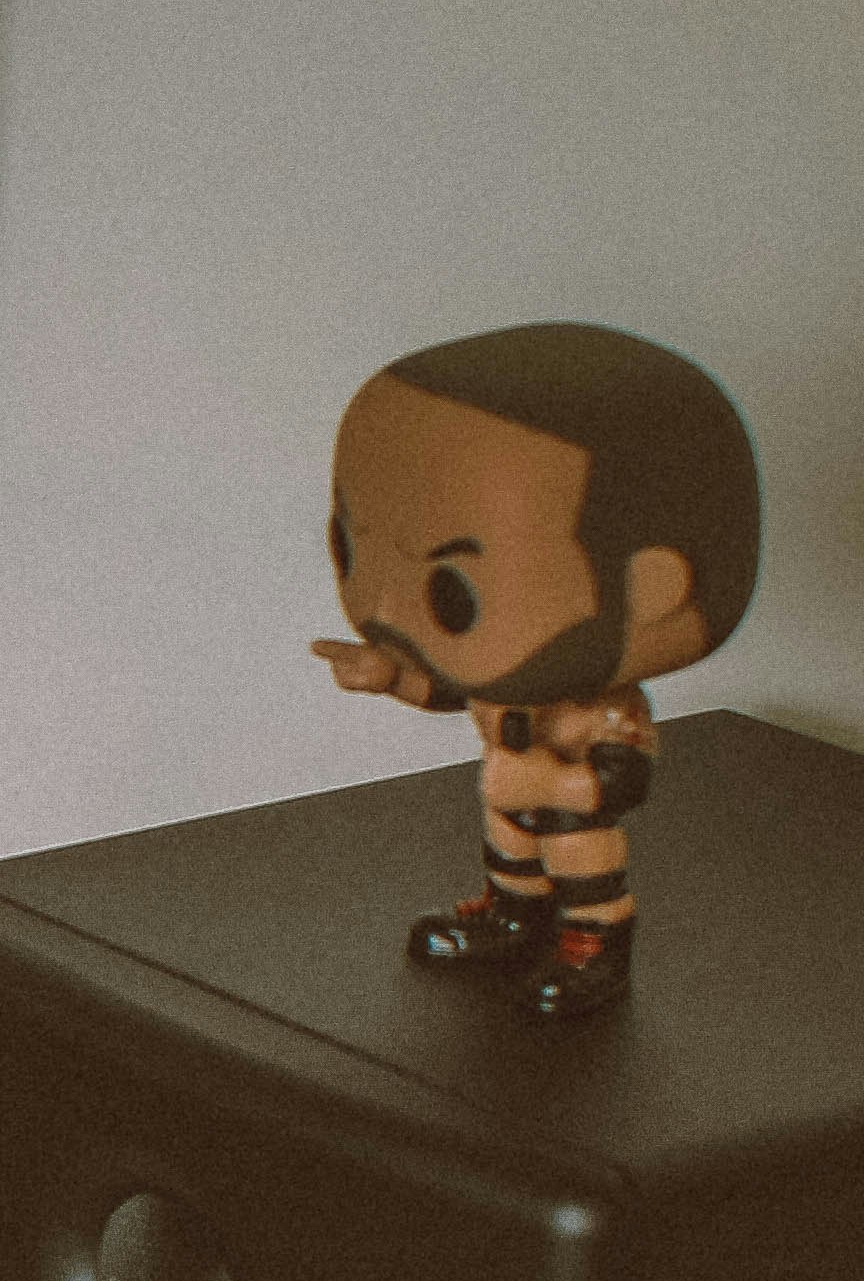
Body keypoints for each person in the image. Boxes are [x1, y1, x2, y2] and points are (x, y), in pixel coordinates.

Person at [314, 322, 757, 1021]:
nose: (390, 608)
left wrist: (569, 784)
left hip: (567, 806)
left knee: (583, 863)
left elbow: (626, 772)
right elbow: (449, 690)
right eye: (350, 544)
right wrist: (391, 677)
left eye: (453, 592)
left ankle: (595, 940)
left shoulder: (605, 709)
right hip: (508, 795)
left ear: (652, 592)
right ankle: (513, 915)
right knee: (511, 856)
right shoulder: (497, 681)